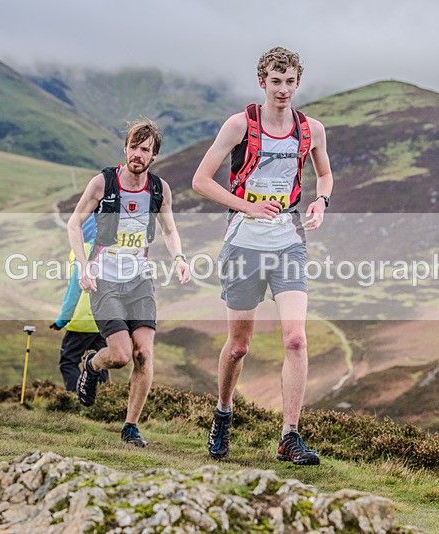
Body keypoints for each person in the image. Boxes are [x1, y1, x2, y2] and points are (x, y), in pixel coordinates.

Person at [192, 47, 334, 465]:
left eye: (290, 81)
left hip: (289, 240)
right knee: (239, 346)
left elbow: (324, 173)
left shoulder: (312, 130)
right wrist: (247, 206)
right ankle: (223, 413)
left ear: (298, 82)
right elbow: (201, 180)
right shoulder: (240, 125)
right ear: (262, 82)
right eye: (276, 81)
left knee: (295, 338)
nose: (284, 89)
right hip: (243, 242)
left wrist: (321, 201)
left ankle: (290, 436)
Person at [68, 118, 191, 447]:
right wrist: (83, 267)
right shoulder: (103, 183)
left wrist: (179, 258)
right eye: (134, 147)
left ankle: (130, 427)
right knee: (120, 356)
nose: (138, 154)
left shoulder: (158, 189)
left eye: (145, 150)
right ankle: (93, 365)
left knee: (143, 356)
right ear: (125, 148)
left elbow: (169, 229)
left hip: (140, 282)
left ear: (153, 157)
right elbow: (74, 223)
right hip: (104, 280)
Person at [49, 216, 110, 391]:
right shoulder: (109, 253)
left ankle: (77, 397)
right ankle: (104, 398)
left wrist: (62, 321)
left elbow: (74, 291)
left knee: (68, 361)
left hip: (82, 321)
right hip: (104, 320)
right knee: (100, 361)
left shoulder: (81, 253)